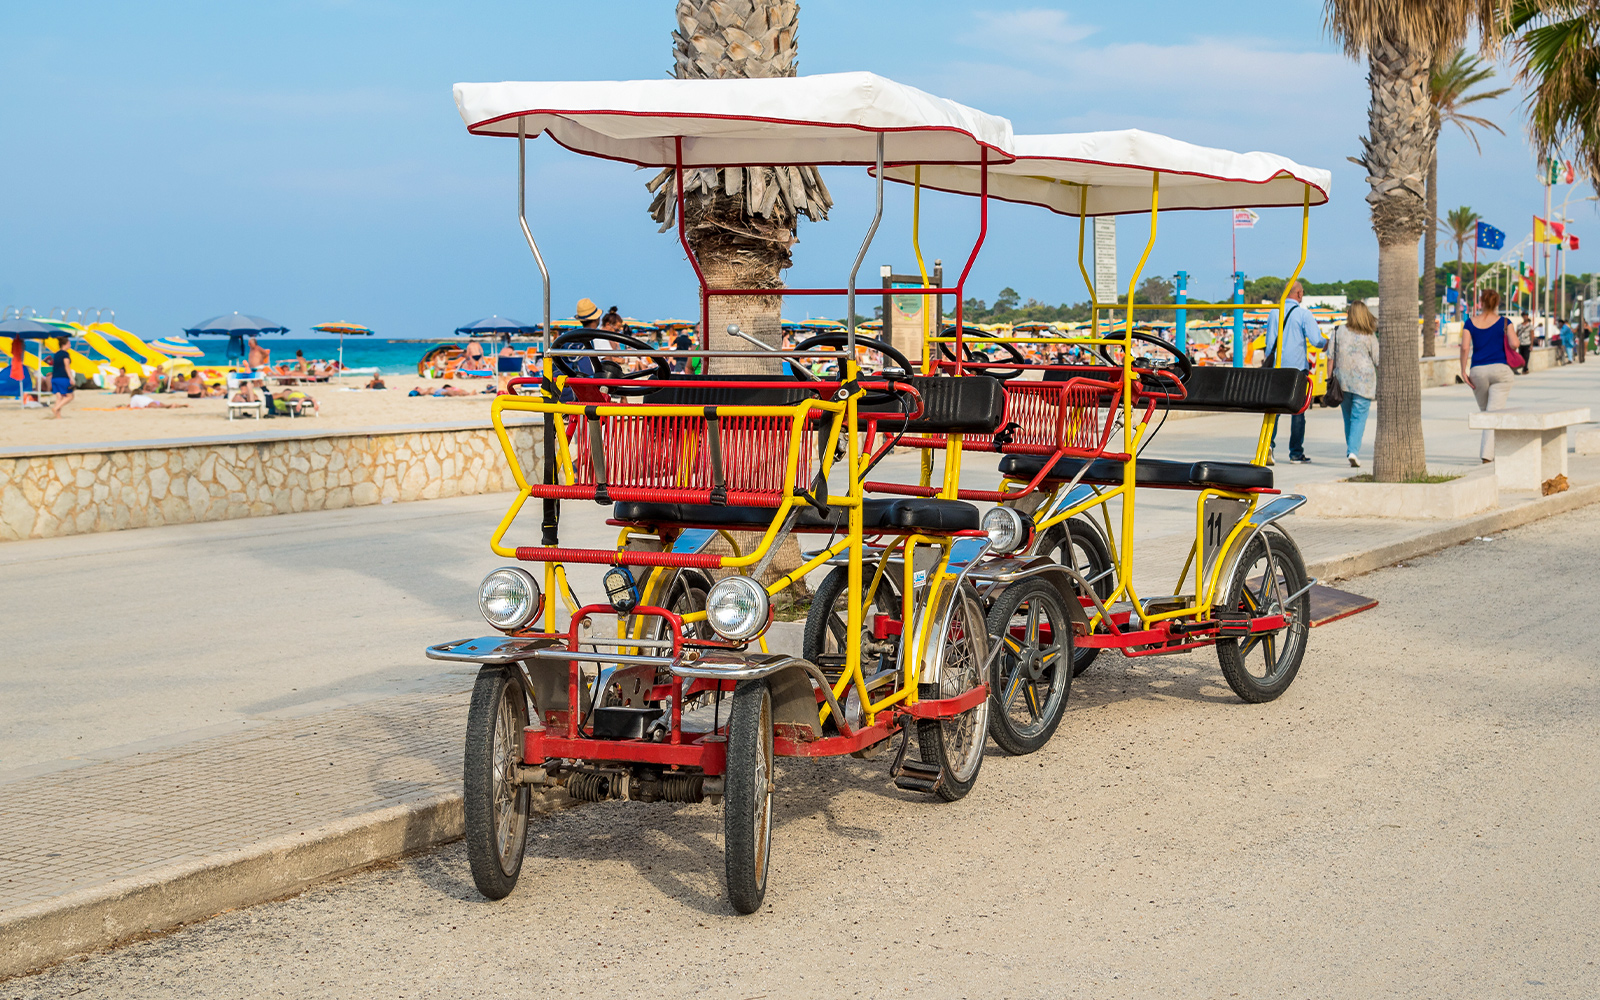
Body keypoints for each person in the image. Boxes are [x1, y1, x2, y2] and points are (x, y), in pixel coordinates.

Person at [1263, 280, 1327, 464]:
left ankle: (1269, 446)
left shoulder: (1274, 313)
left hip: (1276, 368)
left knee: (1274, 411)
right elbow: (1316, 341)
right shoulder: (1303, 314)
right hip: (1297, 370)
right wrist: (1328, 343)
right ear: (1298, 294)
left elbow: (1269, 345)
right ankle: (1296, 453)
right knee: (1298, 411)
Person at [1461, 288, 1517, 464]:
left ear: (1481, 302)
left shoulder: (1470, 322)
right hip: (1501, 371)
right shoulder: (1505, 322)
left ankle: (1489, 453)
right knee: (1491, 414)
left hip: (1478, 372)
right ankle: (1488, 455)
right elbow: (1515, 343)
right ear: (1497, 303)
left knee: (1487, 414)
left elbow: (1464, 348)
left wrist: (1463, 370)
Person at [1333, 301, 1380, 468]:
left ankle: (1351, 450)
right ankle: (1353, 451)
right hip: (1364, 382)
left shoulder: (1338, 331)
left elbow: (1331, 356)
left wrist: (1330, 378)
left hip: (1342, 381)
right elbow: (1378, 359)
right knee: (1358, 418)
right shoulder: (1369, 335)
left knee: (1348, 418)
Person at [47, 338, 75, 418]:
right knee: (70, 396)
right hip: (63, 377)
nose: (70, 345)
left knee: (59, 397)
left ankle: (58, 416)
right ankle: (55, 408)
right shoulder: (65, 354)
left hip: (55, 378)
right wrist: (71, 378)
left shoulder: (56, 354)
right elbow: (67, 366)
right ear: (64, 344)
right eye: (69, 343)